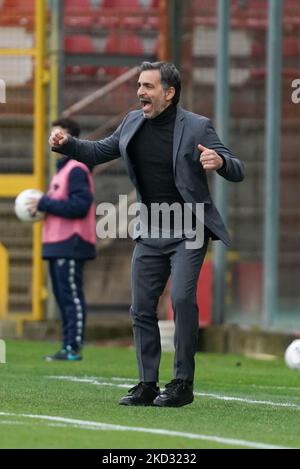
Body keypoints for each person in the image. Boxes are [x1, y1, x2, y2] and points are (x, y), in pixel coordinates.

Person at [49, 62, 244, 404]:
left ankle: (182, 383)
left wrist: (220, 162)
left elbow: (236, 168)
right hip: (150, 229)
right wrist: (68, 144)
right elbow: (98, 151)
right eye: (139, 85)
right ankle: (147, 384)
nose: (141, 92)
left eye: (149, 86)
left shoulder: (198, 127)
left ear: (168, 93)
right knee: (141, 307)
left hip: (189, 230)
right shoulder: (132, 122)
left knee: (182, 300)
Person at [29, 117, 96, 361]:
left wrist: (45, 202)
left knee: (71, 296)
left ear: (71, 139)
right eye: (52, 134)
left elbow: (79, 205)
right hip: (57, 243)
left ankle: (73, 347)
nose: (53, 139)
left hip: (71, 242)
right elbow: (61, 204)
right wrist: (41, 207)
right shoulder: (62, 171)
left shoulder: (76, 168)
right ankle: (67, 345)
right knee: (62, 296)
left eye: (59, 134)